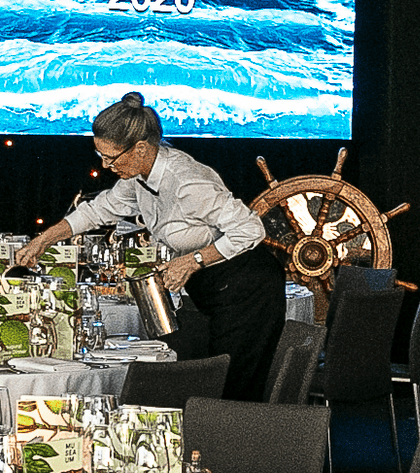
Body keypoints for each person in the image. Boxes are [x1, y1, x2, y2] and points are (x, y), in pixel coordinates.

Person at [16, 92, 285, 401]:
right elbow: (97, 210)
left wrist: (193, 260)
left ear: (140, 148)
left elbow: (250, 229)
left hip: (248, 288)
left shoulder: (186, 181)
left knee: (232, 391)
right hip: (215, 288)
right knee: (209, 385)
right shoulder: (138, 176)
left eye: (111, 158)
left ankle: (237, 448)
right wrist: (43, 240)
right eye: (100, 155)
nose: (105, 166)